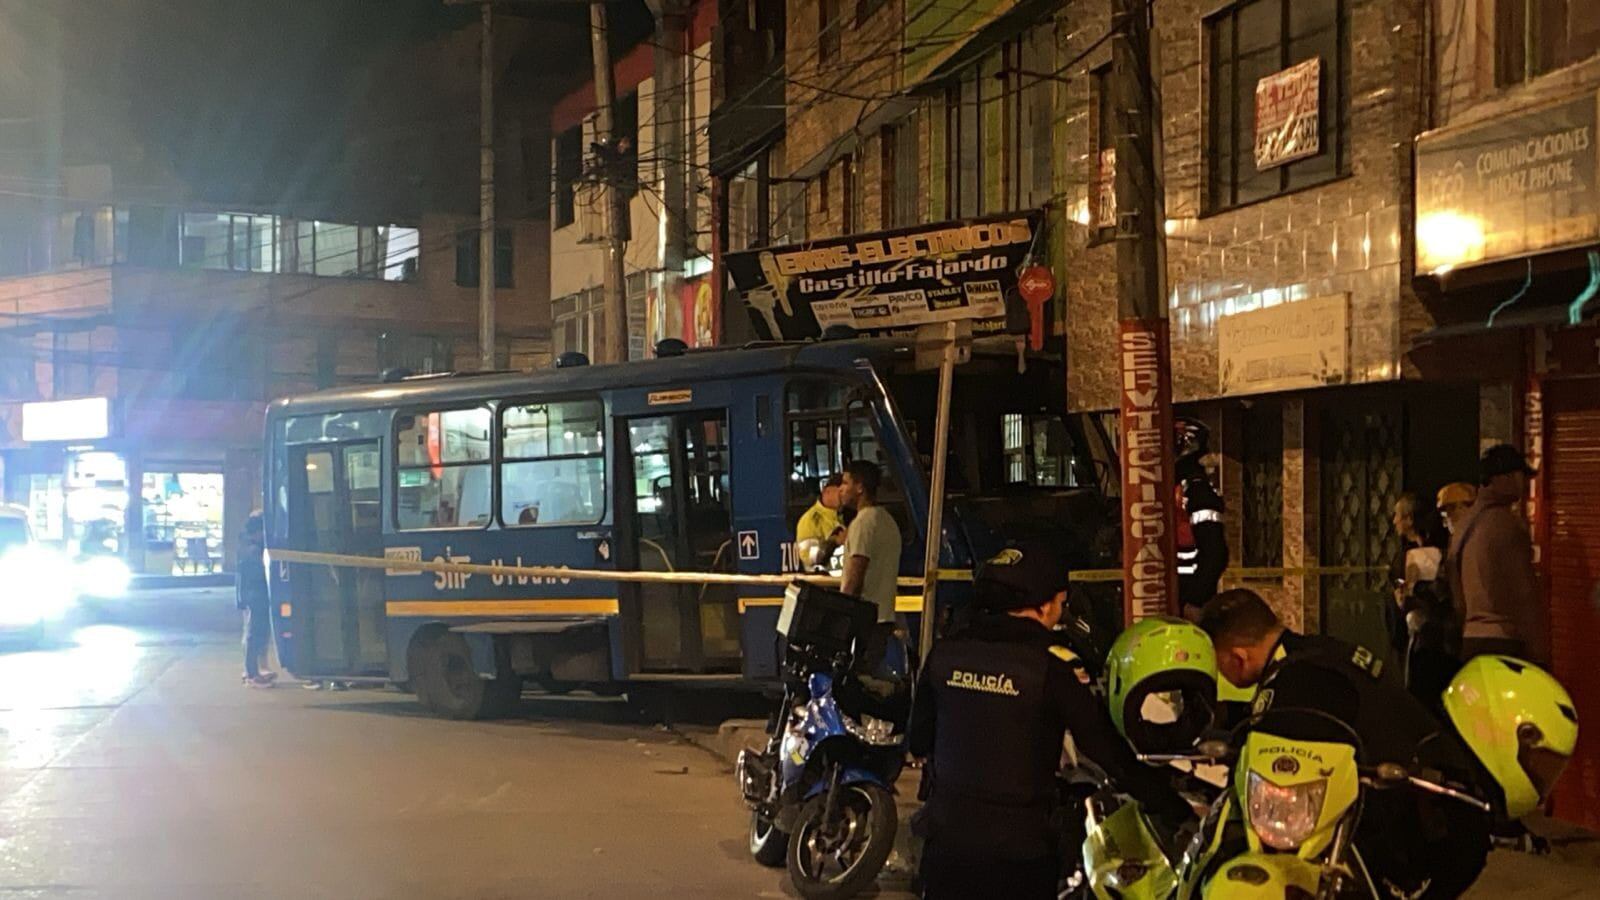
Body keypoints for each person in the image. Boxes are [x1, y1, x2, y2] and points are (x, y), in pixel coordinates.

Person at [909, 541, 1192, 900]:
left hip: (946, 845)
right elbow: (1108, 753)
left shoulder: (944, 654)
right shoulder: (1049, 670)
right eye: (1061, 603)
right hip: (1018, 855)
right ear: (1044, 606)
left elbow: (919, 739)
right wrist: (1172, 806)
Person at [1200, 589, 1493, 898]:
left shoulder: (1294, 680)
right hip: (1450, 810)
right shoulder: (1320, 655)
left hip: (1419, 830)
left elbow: (1280, 766)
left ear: (1238, 657)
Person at [1448, 444, 1549, 666]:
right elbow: (1524, 594)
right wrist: (1540, 655)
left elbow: (1456, 591)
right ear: (1504, 477)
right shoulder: (1508, 525)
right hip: (1504, 642)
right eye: (1520, 476)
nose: (1523, 485)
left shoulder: (1463, 525)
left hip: (1471, 642)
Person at [1174, 417, 1227, 618]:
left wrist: (1195, 599)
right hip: (1172, 596)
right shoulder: (1174, 486)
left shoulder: (1197, 490)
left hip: (1188, 600)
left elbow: (1214, 552)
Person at [838, 460, 902, 624]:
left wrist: (842, 612)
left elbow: (856, 574)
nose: (840, 489)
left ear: (860, 488)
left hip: (864, 620)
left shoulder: (863, 522)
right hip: (884, 615)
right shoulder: (887, 520)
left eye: (845, 483)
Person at [236, 511, 274, 688]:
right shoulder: (252, 551)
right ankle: (251, 674)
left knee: (257, 634)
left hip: (255, 597)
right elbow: (256, 577)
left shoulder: (250, 547)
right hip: (256, 597)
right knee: (254, 635)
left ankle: (254, 672)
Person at [794, 473, 845, 569]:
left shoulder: (848, 515)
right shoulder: (810, 520)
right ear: (827, 492)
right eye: (840, 491)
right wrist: (834, 542)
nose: (844, 495)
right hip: (824, 581)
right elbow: (810, 557)